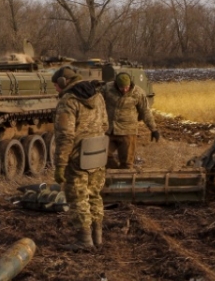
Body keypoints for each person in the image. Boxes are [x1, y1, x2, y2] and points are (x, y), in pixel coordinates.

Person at [50, 66, 108, 251]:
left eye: (56, 86)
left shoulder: (68, 101)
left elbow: (65, 136)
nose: (56, 90)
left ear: (62, 83)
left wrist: (60, 165)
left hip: (77, 157)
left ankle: (84, 240)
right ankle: (97, 237)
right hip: (98, 153)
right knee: (94, 195)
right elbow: (106, 124)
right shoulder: (98, 96)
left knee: (78, 198)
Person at [102, 73, 160, 170]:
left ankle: (124, 181)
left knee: (127, 164)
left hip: (128, 132)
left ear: (130, 84)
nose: (124, 90)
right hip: (110, 130)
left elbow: (145, 111)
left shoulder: (138, 93)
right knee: (102, 157)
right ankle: (113, 176)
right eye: (121, 88)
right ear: (116, 84)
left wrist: (153, 129)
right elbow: (95, 99)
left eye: (126, 87)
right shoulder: (107, 88)